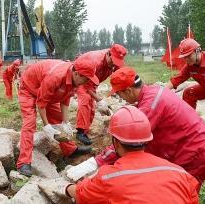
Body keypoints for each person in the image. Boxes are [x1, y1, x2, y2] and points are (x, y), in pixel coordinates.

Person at [66, 66, 205, 187]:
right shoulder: (152, 92)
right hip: (188, 145)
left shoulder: (151, 105)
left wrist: (94, 163)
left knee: (182, 191)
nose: (121, 98)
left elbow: (128, 142)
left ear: (129, 90)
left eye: (119, 94)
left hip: (193, 151)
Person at [52, 106, 200, 204]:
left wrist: (65, 188)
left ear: (115, 142)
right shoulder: (180, 172)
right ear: (147, 139)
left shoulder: (109, 177)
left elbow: (80, 194)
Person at [16, 57, 99, 176]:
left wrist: (66, 123)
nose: (87, 82)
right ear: (77, 73)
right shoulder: (55, 77)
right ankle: (23, 162)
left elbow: (65, 100)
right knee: (30, 123)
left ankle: (70, 150)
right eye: (86, 78)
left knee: (57, 118)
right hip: (29, 88)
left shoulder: (75, 79)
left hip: (47, 92)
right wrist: (47, 126)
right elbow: (41, 103)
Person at [75, 44, 127, 145]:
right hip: (82, 77)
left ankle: (85, 131)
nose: (113, 64)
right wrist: (100, 100)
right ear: (108, 54)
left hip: (93, 81)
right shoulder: (96, 62)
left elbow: (119, 76)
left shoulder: (115, 61)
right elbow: (86, 85)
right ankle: (80, 132)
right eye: (112, 61)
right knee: (86, 100)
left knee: (92, 107)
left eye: (116, 62)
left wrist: (122, 92)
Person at [165, 38, 205, 109]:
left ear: (197, 51)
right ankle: (191, 118)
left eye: (188, 56)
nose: (186, 59)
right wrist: (161, 92)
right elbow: (177, 79)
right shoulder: (189, 66)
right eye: (184, 57)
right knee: (189, 93)